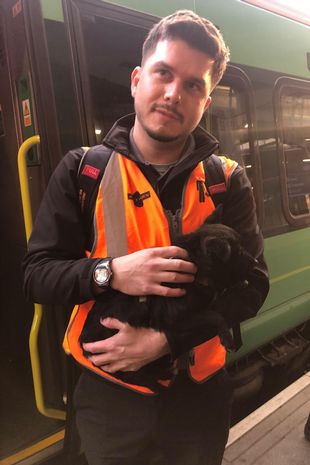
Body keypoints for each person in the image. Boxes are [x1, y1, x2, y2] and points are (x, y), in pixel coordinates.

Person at [22, 10, 269, 465]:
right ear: (138, 79)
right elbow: (37, 276)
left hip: (197, 397)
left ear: (206, 101)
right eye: (164, 73)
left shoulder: (227, 179)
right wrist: (111, 273)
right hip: (108, 398)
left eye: (194, 84)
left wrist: (168, 341)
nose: (175, 93)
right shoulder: (84, 172)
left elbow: (254, 287)